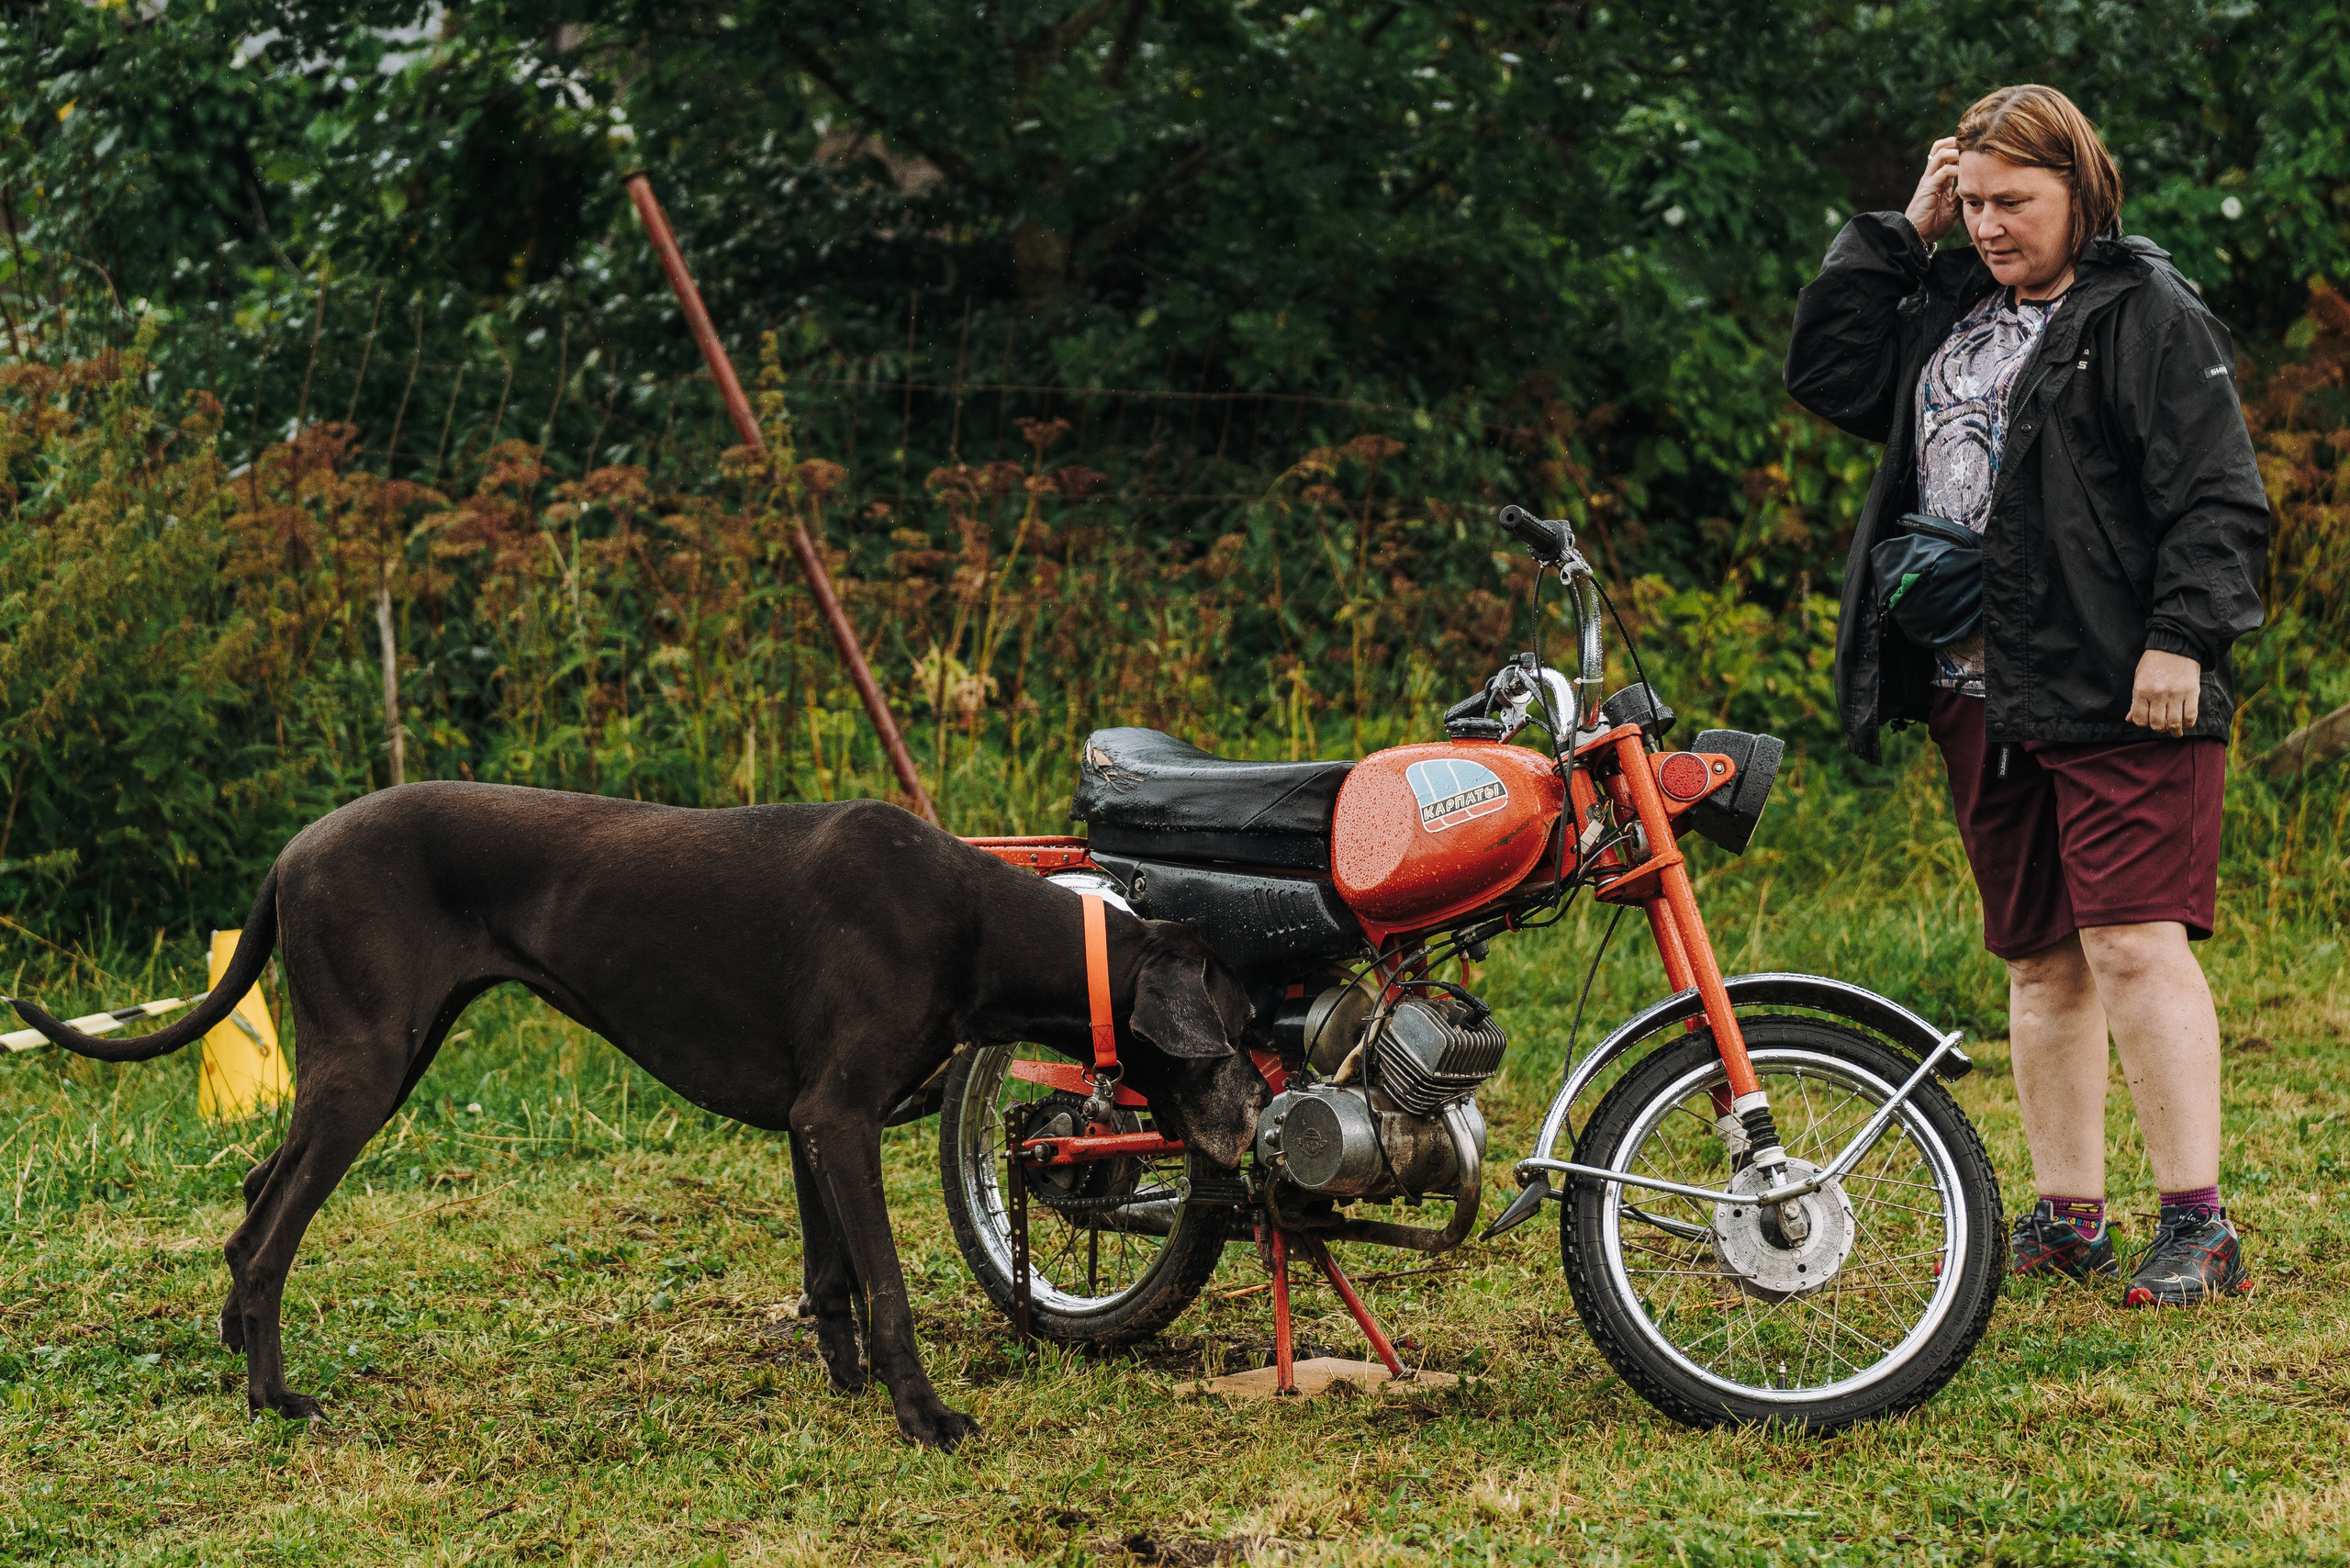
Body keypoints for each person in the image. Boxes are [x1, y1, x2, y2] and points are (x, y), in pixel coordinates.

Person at [1783, 84, 2268, 1306]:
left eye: (2018, 201)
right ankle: (2067, 1217)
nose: (1995, 225)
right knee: (2041, 957)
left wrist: (2182, 643)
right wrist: (1908, 228)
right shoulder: (1951, 304)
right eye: (1979, 201)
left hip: (2121, 678)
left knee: (2133, 941)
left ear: (2079, 188)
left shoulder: (2143, 311)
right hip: (1977, 691)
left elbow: (2218, 498)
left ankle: (2197, 1225)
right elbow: (1830, 374)